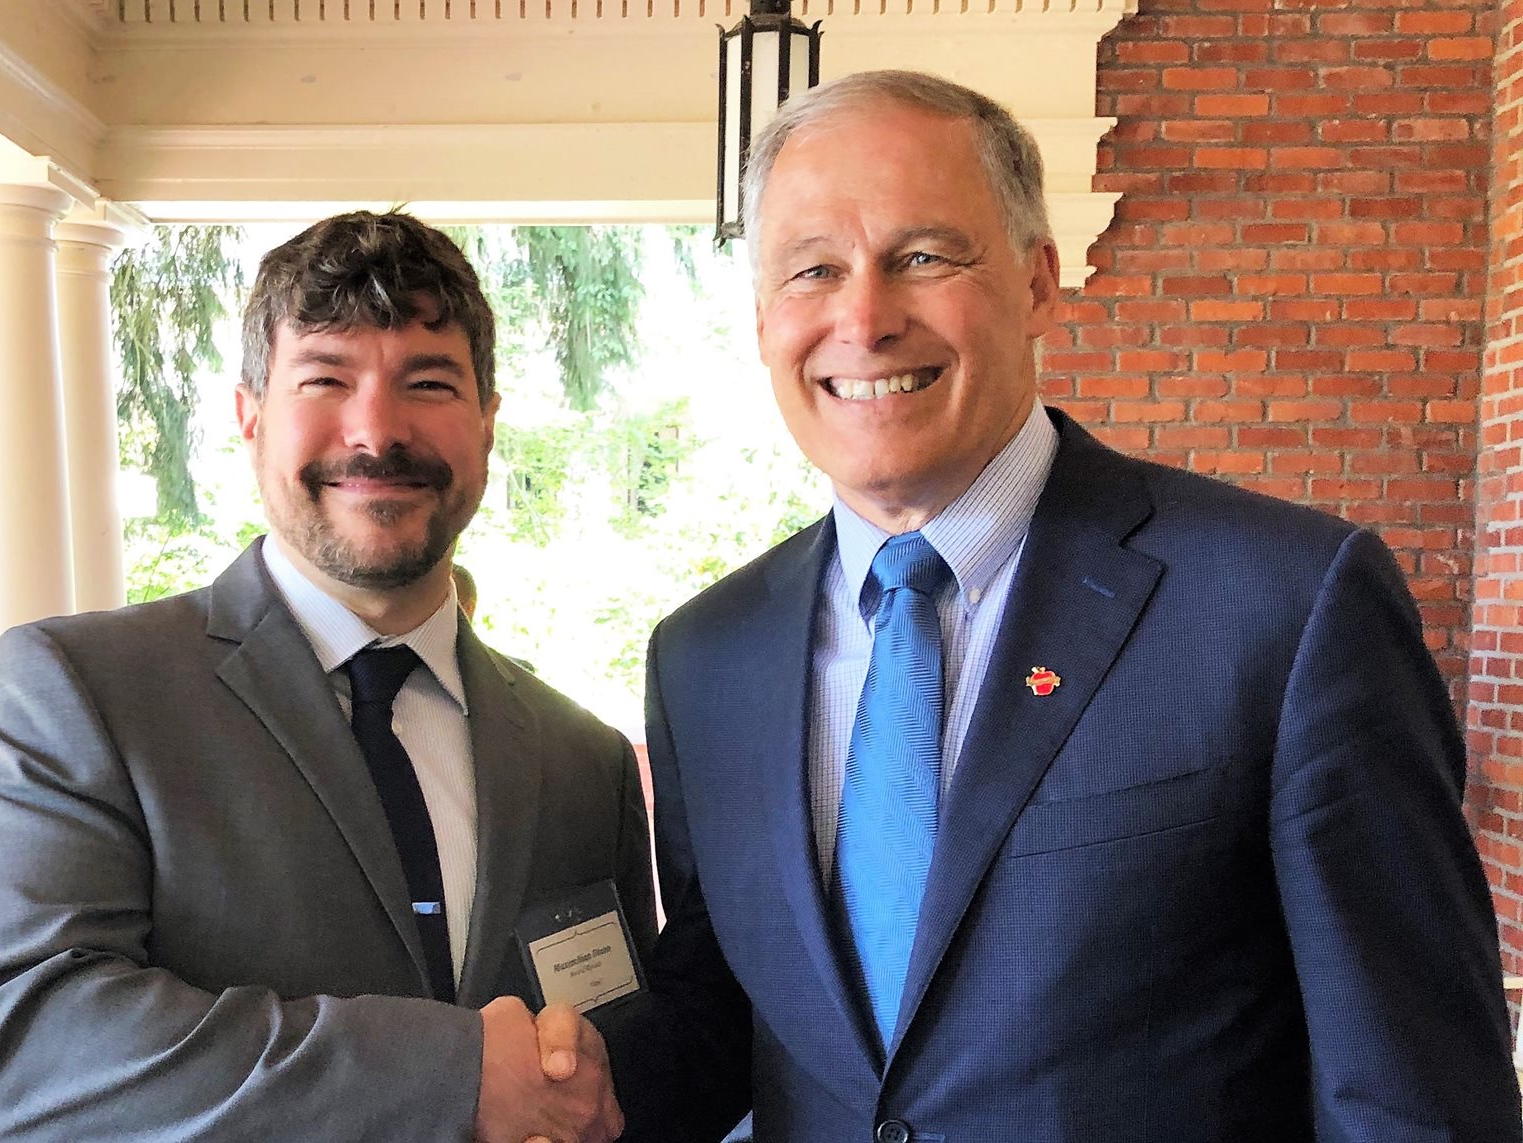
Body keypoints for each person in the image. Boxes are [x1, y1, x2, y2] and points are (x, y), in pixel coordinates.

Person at [599, 71, 1522, 1141]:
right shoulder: (705, 658)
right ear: (765, 321)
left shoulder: (1285, 606)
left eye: (924, 257)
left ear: (1038, 282)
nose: (863, 317)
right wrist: (540, 1083)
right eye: (813, 271)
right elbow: (730, 1025)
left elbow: (1413, 1097)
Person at [0, 211, 653, 1142]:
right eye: (326, 377)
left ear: (486, 422)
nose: (377, 431)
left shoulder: (583, 759)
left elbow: (617, 1053)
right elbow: (21, 1044)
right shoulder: (80, 692)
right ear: (249, 414)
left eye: (428, 382)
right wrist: (453, 1073)